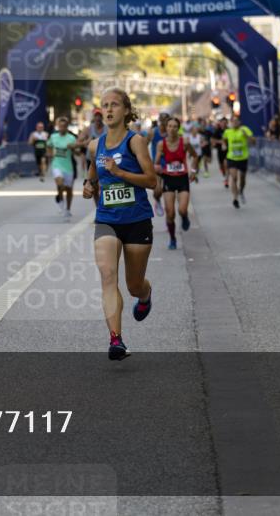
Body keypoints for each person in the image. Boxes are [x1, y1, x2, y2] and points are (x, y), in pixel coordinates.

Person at [82, 87, 157, 361]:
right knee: (107, 276)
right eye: (105, 105)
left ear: (126, 110)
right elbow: (92, 176)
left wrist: (120, 172)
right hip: (107, 221)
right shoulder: (95, 145)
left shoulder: (135, 142)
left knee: (133, 284)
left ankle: (145, 293)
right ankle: (116, 340)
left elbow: (152, 181)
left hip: (137, 219)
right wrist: (88, 187)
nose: (109, 109)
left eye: (115, 104)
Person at [154, 117, 196, 249]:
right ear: (166, 128)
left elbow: (194, 156)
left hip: (182, 178)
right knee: (170, 213)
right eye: (169, 126)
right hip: (168, 178)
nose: (172, 129)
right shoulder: (161, 144)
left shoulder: (185, 142)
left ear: (179, 128)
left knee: (182, 209)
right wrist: (157, 167)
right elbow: (156, 163)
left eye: (174, 127)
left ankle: (184, 217)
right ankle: (172, 239)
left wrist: (193, 170)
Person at [47, 116, 81, 218]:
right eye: (60, 126)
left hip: (68, 166)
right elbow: (48, 145)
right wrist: (49, 154)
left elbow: (78, 153)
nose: (62, 128)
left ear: (67, 127)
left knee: (69, 189)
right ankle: (60, 200)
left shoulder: (71, 138)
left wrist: (74, 148)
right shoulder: (53, 137)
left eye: (64, 127)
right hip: (57, 164)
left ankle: (68, 209)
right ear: (58, 127)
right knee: (60, 182)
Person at [222, 116, 255, 208]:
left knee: (242, 179)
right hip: (232, 158)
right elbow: (224, 140)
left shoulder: (245, 129)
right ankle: (235, 198)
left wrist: (247, 136)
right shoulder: (227, 132)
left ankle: (241, 191)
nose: (235, 123)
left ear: (240, 122)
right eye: (233, 121)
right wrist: (224, 145)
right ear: (231, 123)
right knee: (234, 177)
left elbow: (254, 141)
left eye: (236, 121)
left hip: (243, 158)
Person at [147, 112, 169, 215]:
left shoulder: (171, 132)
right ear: (159, 120)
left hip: (170, 165)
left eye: (166, 119)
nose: (164, 122)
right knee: (157, 191)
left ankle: (170, 214)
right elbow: (143, 146)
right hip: (157, 165)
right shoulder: (153, 132)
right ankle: (158, 201)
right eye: (163, 119)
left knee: (169, 192)